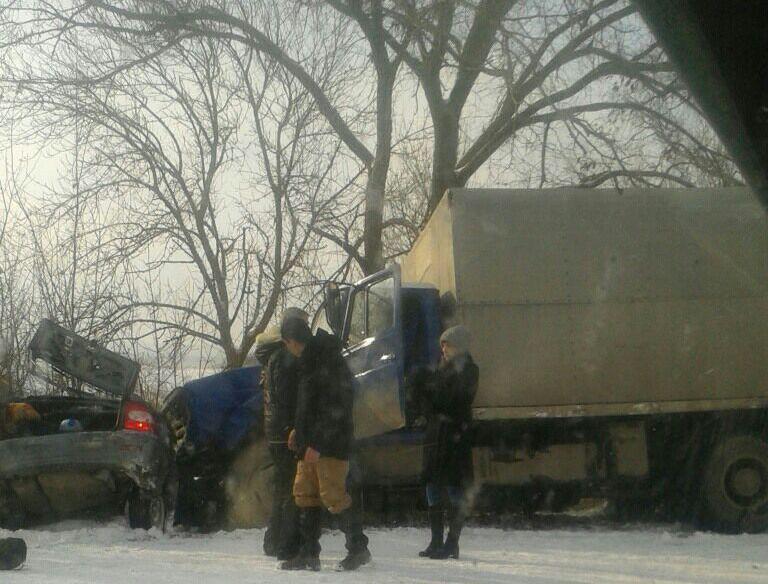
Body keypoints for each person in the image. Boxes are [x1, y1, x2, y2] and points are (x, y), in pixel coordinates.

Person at [279, 317, 371, 572]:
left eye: (287, 344)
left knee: (334, 495)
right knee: (304, 493)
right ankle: (309, 553)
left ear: (293, 342)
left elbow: (335, 407)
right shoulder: (309, 360)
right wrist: (299, 430)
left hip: (330, 443)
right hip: (310, 443)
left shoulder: (326, 360)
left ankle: (358, 548)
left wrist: (317, 443)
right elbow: (310, 404)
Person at [415, 325, 479, 560]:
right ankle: (435, 541)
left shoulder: (469, 370)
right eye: (442, 344)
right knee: (432, 485)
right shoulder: (440, 370)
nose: (443, 348)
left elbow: (455, 400)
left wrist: (431, 394)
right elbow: (431, 402)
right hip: (435, 436)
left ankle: (452, 543)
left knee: (454, 488)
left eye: (447, 344)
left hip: (454, 437)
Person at [254, 324, 301, 560]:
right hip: (284, 433)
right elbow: (287, 399)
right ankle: (283, 542)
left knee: (282, 487)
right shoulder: (284, 359)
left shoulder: (269, 359)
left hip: (273, 431)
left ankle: (273, 540)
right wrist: (292, 427)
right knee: (290, 488)